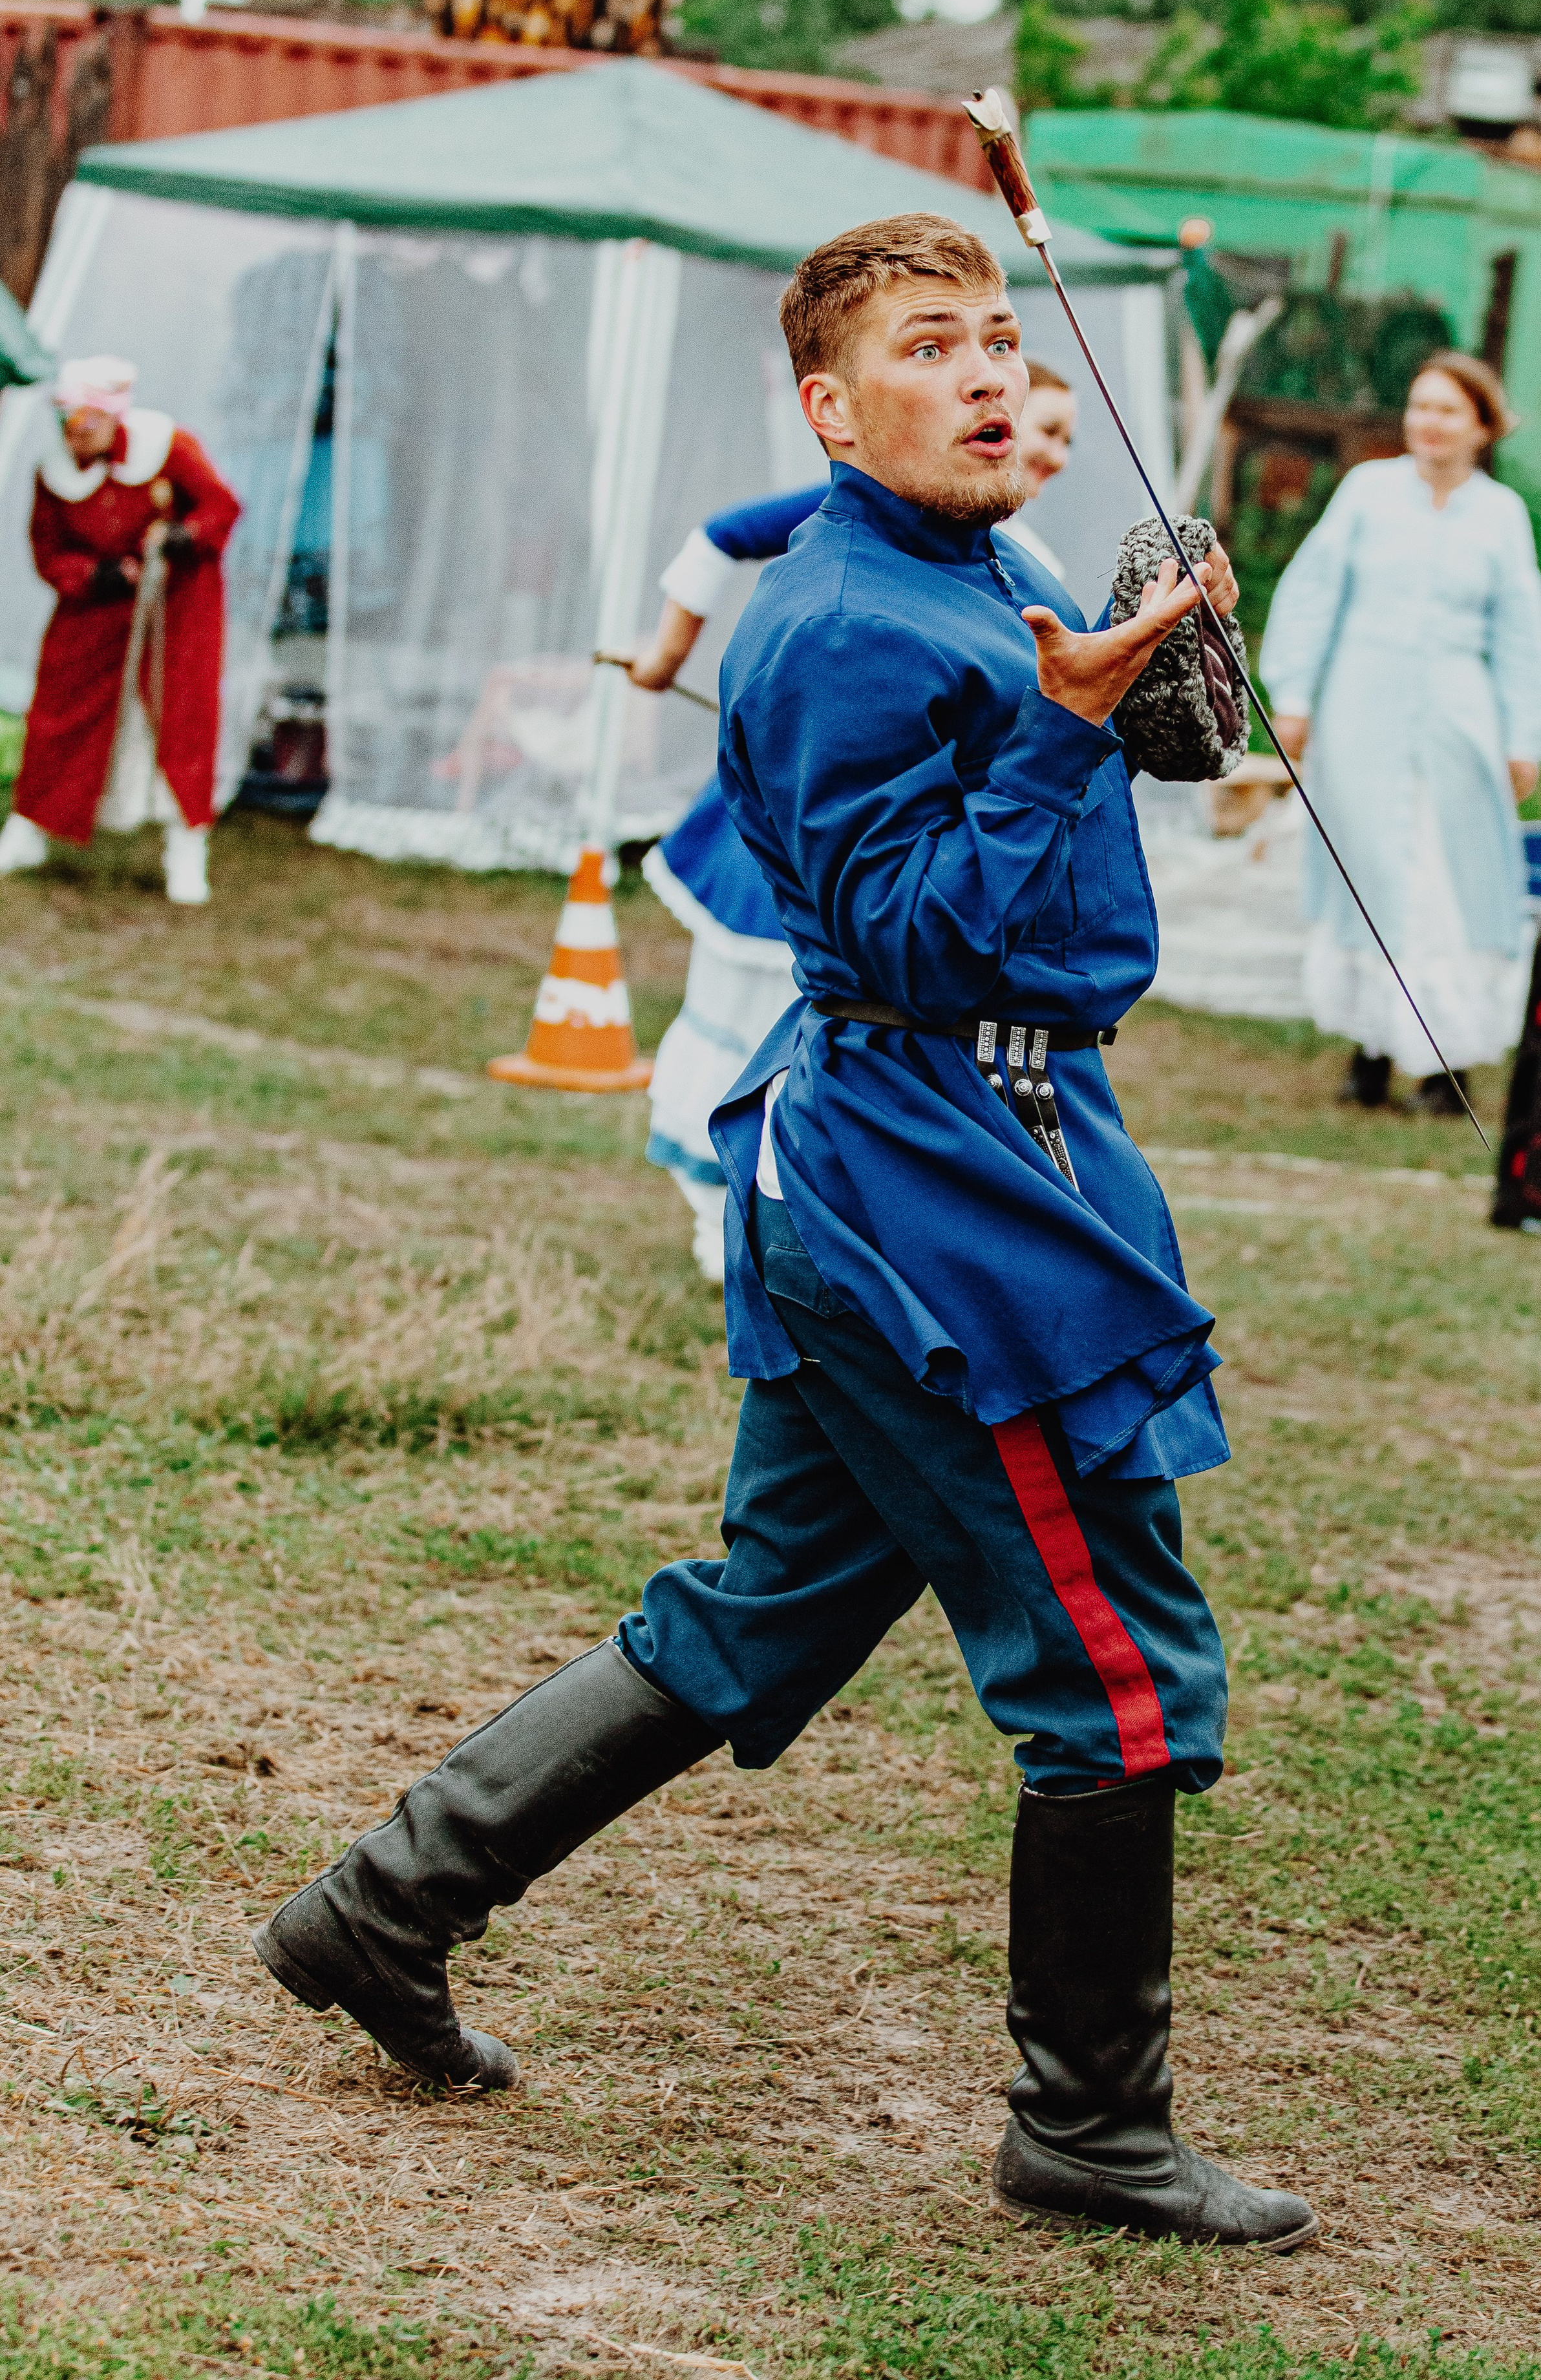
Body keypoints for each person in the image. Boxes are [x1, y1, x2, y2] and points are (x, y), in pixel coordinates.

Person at [253, 216, 1315, 2253]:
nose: (1003, 373)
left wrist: (1146, 698)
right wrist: (1076, 721)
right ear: (830, 409)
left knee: (766, 1606)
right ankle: (1086, 2129)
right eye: (938, 348)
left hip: (982, 1136)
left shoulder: (976, 565)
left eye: (1009, 340)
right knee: (1113, 1666)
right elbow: (907, 937)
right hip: (939, 1176)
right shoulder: (833, 622)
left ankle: (381, 1904)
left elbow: (1051, 797)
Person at [634, 364, 1079, 1281]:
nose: (1049, 448)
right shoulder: (874, 519)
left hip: (931, 858)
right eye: (1047, 426)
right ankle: (730, 1207)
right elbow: (725, 536)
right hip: (818, 835)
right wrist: (665, 654)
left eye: (1064, 437)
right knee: (759, 1006)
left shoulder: (1026, 561)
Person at [1261, 350, 1541, 1113]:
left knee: (1443, 878)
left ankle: (1444, 1063)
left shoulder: (1500, 515)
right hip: (1361, 711)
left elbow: (1521, 632)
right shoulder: (1368, 494)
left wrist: (1524, 735)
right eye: (1419, 406)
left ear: (1482, 427)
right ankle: (1368, 1048)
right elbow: (1312, 593)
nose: (1428, 423)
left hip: (1458, 722)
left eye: (1447, 410)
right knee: (1368, 870)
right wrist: (1293, 695)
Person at [0, 356, 241, 906]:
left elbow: (220, 506)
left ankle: (186, 847)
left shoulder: (169, 447)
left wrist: (185, 536)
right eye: (67, 423)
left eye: (85, 422)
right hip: (95, 612)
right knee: (60, 711)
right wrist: (94, 575)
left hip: (172, 612)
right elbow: (50, 551)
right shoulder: (54, 473)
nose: (75, 435)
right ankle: (30, 828)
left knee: (180, 719)